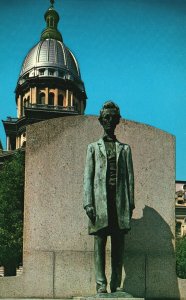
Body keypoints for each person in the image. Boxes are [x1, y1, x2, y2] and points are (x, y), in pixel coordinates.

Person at [83, 101, 135, 294]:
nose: (110, 121)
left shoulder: (125, 149)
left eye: (113, 118)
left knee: (118, 245)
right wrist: (88, 202)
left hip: (119, 203)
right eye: (106, 117)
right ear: (100, 120)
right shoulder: (93, 148)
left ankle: (116, 284)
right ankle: (101, 284)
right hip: (99, 203)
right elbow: (87, 176)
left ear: (118, 121)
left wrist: (130, 204)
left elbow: (130, 179)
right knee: (99, 243)